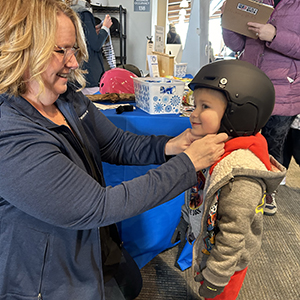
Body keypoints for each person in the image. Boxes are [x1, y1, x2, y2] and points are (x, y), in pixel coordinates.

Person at [0, 1, 228, 300]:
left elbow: (117, 144)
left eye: (74, 51)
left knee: (129, 283)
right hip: (46, 278)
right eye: (61, 51)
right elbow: (98, 206)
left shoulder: (67, 99)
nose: (73, 63)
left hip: (93, 243)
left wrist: (171, 146)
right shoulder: (11, 134)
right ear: (22, 49)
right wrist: (186, 165)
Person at [171, 60, 286, 300]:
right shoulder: (213, 150)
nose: (194, 114)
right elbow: (200, 192)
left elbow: (234, 234)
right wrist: (186, 221)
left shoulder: (241, 174)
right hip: (209, 246)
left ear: (239, 113)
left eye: (204, 106)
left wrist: (217, 277)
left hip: (225, 266)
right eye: (195, 105)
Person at [221, 0, 300, 215]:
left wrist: (275, 35)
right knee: (240, 140)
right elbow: (236, 45)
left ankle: (268, 192)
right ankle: (238, 189)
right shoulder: (255, 2)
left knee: (272, 144)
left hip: (285, 89)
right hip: (249, 85)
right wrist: (227, 20)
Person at [69, 0, 113, 94]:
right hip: (89, 74)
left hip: (75, 73)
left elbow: (81, 38)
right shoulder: (84, 13)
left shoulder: (68, 12)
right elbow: (96, 45)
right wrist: (105, 27)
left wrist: (93, 31)